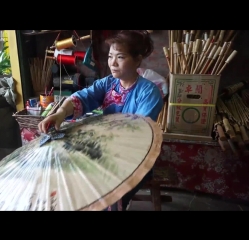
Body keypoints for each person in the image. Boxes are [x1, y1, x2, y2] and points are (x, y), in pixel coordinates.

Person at [38, 30, 164, 211]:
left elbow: (139, 131)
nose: (112, 63)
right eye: (110, 56)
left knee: (109, 196)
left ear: (137, 60)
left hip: (134, 158)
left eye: (120, 57)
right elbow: (81, 97)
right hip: (105, 152)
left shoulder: (148, 92)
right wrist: (60, 114)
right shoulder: (107, 84)